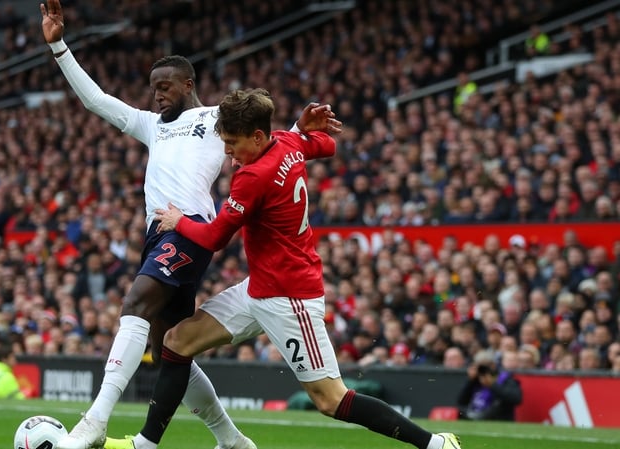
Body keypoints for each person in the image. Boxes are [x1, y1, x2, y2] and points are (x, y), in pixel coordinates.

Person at [39, 2, 341, 448]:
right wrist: (59, 45)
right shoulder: (150, 126)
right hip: (157, 235)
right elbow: (95, 100)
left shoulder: (217, 121)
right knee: (171, 350)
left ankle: (94, 422)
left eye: (165, 87)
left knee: (135, 303)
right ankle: (232, 440)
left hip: (190, 229)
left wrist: (297, 127)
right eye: (153, 89)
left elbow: (262, 134)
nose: (157, 95)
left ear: (188, 85)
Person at [104, 88, 461, 449]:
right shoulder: (287, 143)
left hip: (289, 297)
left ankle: (434, 444)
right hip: (259, 286)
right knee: (176, 342)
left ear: (257, 137)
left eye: (232, 142)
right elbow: (327, 146)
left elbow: (213, 237)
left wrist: (179, 220)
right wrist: (307, 130)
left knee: (331, 400)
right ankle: (148, 445)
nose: (227, 151)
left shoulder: (253, 176)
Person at [457, 351, 522, 421]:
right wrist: (470, 381)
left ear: (493, 365)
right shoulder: (476, 381)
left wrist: (492, 385)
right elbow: (461, 401)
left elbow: (516, 398)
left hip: (499, 419)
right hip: (475, 415)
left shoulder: (505, 378)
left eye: (485, 366)